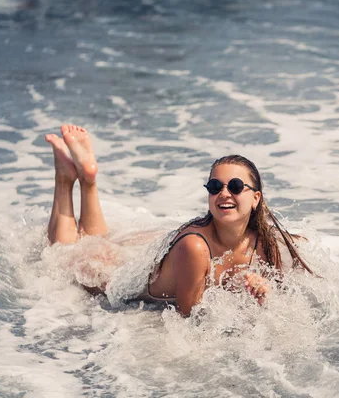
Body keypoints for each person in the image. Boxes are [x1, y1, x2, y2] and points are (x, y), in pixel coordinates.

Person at [45, 124, 313, 316]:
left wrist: (263, 295)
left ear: (256, 198)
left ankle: (88, 180)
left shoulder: (264, 242)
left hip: (131, 262)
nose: (224, 193)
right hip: (114, 282)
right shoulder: (195, 248)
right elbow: (191, 319)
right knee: (65, 255)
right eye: (214, 186)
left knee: (96, 241)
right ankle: (65, 178)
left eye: (234, 185)